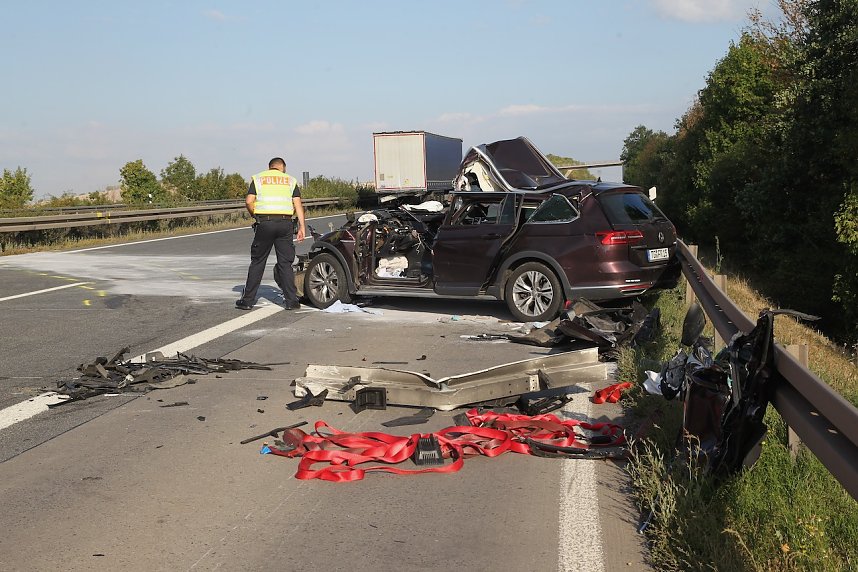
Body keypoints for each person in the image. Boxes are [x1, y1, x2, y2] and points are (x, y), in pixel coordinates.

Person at [235, 157, 306, 310]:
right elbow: (298, 204)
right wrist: (302, 227)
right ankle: (292, 301)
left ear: (270, 167)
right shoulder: (290, 180)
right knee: (285, 263)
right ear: (283, 168)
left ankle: (247, 301)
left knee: (258, 261)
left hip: (265, 223)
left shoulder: (259, 178)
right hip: (285, 223)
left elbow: (248, 201)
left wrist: (256, 215)